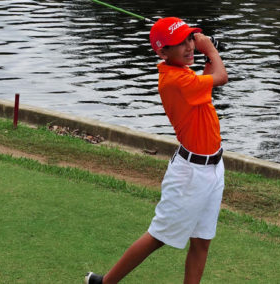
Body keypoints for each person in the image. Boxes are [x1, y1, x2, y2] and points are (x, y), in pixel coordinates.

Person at [85, 16, 228, 284]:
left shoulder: (183, 73)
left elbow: (208, 82)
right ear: (162, 51)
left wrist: (208, 55)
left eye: (189, 39)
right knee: (159, 236)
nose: (188, 47)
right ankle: (105, 283)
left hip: (214, 168)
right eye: (179, 43)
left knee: (201, 242)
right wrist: (210, 49)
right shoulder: (174, 80)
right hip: (190, 173)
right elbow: (221, 77)